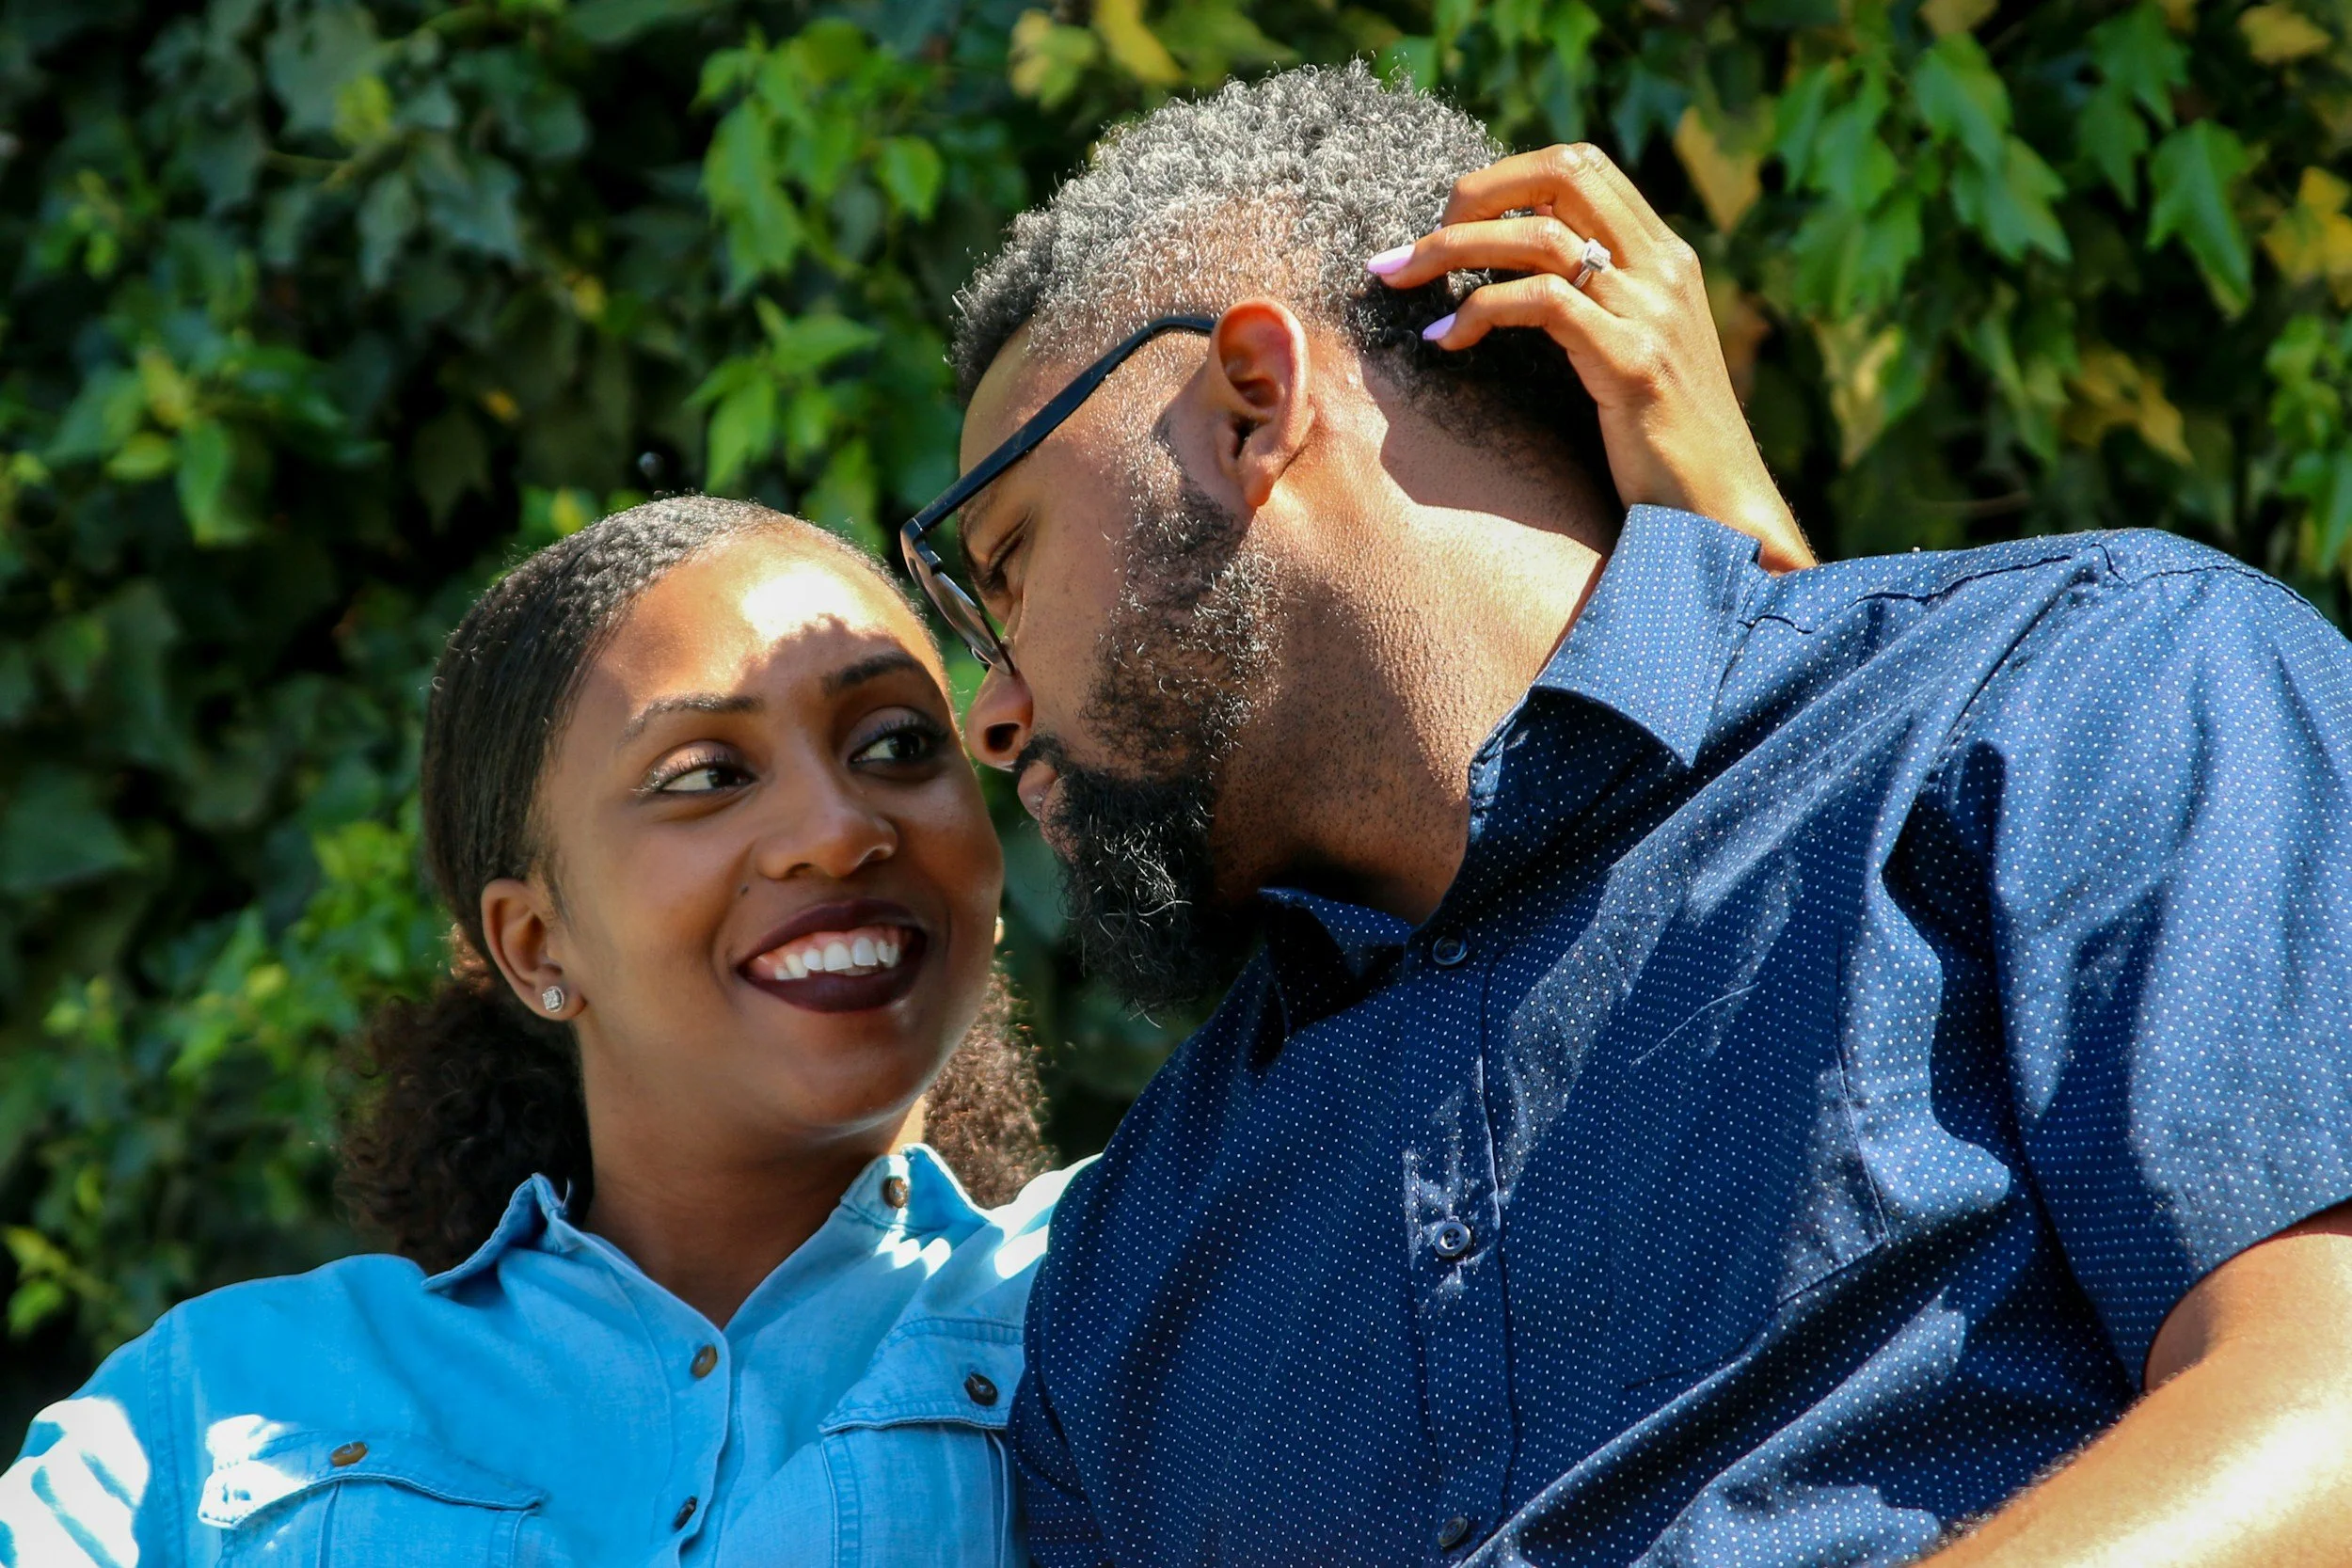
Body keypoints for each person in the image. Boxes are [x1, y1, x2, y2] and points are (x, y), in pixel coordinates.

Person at [909, 65, 2352, 1567]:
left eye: (1002, 560)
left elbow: (2326, 1409)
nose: (989, 709)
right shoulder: (1123, 1281)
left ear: (1252, 403)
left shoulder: (2066, 695)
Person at [0, 497, 1069, 1566]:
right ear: (536, 944)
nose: (840, 829)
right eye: (706, 774)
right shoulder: (203, 1409)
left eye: (896, 744)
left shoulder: (1122, 1288)